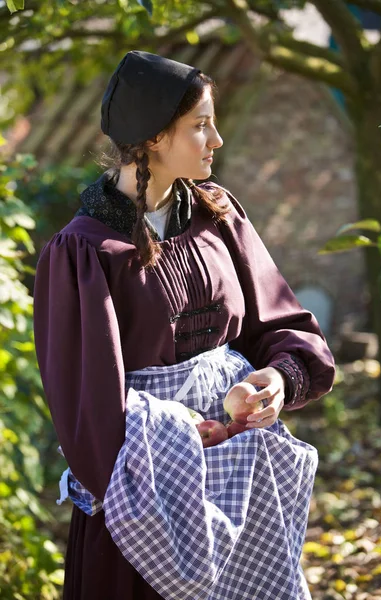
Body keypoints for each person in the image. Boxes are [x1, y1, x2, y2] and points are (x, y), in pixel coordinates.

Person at [33, 50, 335, 600]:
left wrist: (276, 379)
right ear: (152, 137)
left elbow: (281, 322)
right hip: (148, 499)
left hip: (243, 481)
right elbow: (88, 408)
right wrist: (177, 437)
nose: (217, 139)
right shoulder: (84, 251)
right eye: (200, 126)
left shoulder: (218, 216)